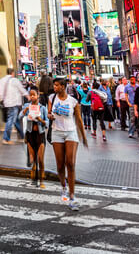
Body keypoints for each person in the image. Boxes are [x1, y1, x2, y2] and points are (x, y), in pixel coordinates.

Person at [49, 77, 87, 209]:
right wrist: (49, 116)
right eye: (54, 85)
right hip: (56, 133)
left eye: (57, 85)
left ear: (63, 87)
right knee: (60, 165)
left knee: (70, 163)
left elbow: (79, 119)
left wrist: (84, 136)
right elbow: (49, 113)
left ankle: (72, 195)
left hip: (71, 132)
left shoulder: (73, 101)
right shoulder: (51, 98)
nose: (55, 87)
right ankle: (63, 186)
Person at [22, 88, 48, 188]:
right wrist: (25, 110)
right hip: (30, 134)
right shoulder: (27, 106)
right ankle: (34, 178)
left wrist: (41, 120)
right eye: (30, 95)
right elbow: (20, 116)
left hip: (40, 134)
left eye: (34, 95)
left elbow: (47, 123)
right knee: (32, 159)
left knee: (40, 159)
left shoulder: (42, 108)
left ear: (38, 96)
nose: (32, 96)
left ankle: (41, 180)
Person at [0, 67, 28, 145]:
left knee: (16, 120)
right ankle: (6, 138)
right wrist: (28, 96)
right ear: (12, 73)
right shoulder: (14, 80)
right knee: (11, 120)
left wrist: (4, 100)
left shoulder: (2, 80)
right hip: (14, 103)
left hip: (7, 103)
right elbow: (21, 89)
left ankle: (22, 136)